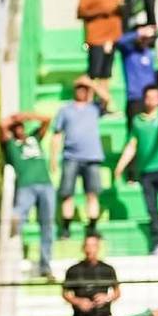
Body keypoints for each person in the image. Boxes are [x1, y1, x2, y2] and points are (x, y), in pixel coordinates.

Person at [113, 85, 158, 256]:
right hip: (146, 171)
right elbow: (132, 145)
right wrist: (120, 165)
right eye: (149, 97)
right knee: (152, 209)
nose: (152, 100)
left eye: (155, 97)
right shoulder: (138, 121)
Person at [51, 77, 110, 239]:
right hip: (71, 157)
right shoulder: (65, 110)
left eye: (85, 89)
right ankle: (66, 227)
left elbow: (107, 98)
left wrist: (91, 84)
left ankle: (92, 227)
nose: (82, 91)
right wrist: (53, 158)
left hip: (92, 157)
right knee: (67, 193)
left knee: (92, 194)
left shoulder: (94, 108)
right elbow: (57, 135)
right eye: (79, 88)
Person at [0, 111, 54, 277]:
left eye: (21, 126)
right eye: (16, 127)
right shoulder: (11, 145)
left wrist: (28, 116)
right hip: (26, 186)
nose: (20, 129)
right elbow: (2, 125)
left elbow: (47, 119)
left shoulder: (34, 138)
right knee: (18, 217)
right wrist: (13, 118)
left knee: (47, 225)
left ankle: (45, 265)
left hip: (45, 184)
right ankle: (14, 250)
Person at [76, 0, 124, 95]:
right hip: (96, 38)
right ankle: (87, 99)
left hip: (112, 38)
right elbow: (81, 12)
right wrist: (102, 10)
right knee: (93, 72)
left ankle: (103, 101)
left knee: (106, 73)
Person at [115, 25, 158, 130]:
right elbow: (119, 42)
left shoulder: (150, 53)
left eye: (146, 38)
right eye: (142, 37)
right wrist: (139, 32)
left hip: (150, 99)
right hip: (135, 99)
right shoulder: (128, 52)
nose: (144, 40)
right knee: (134, 131)